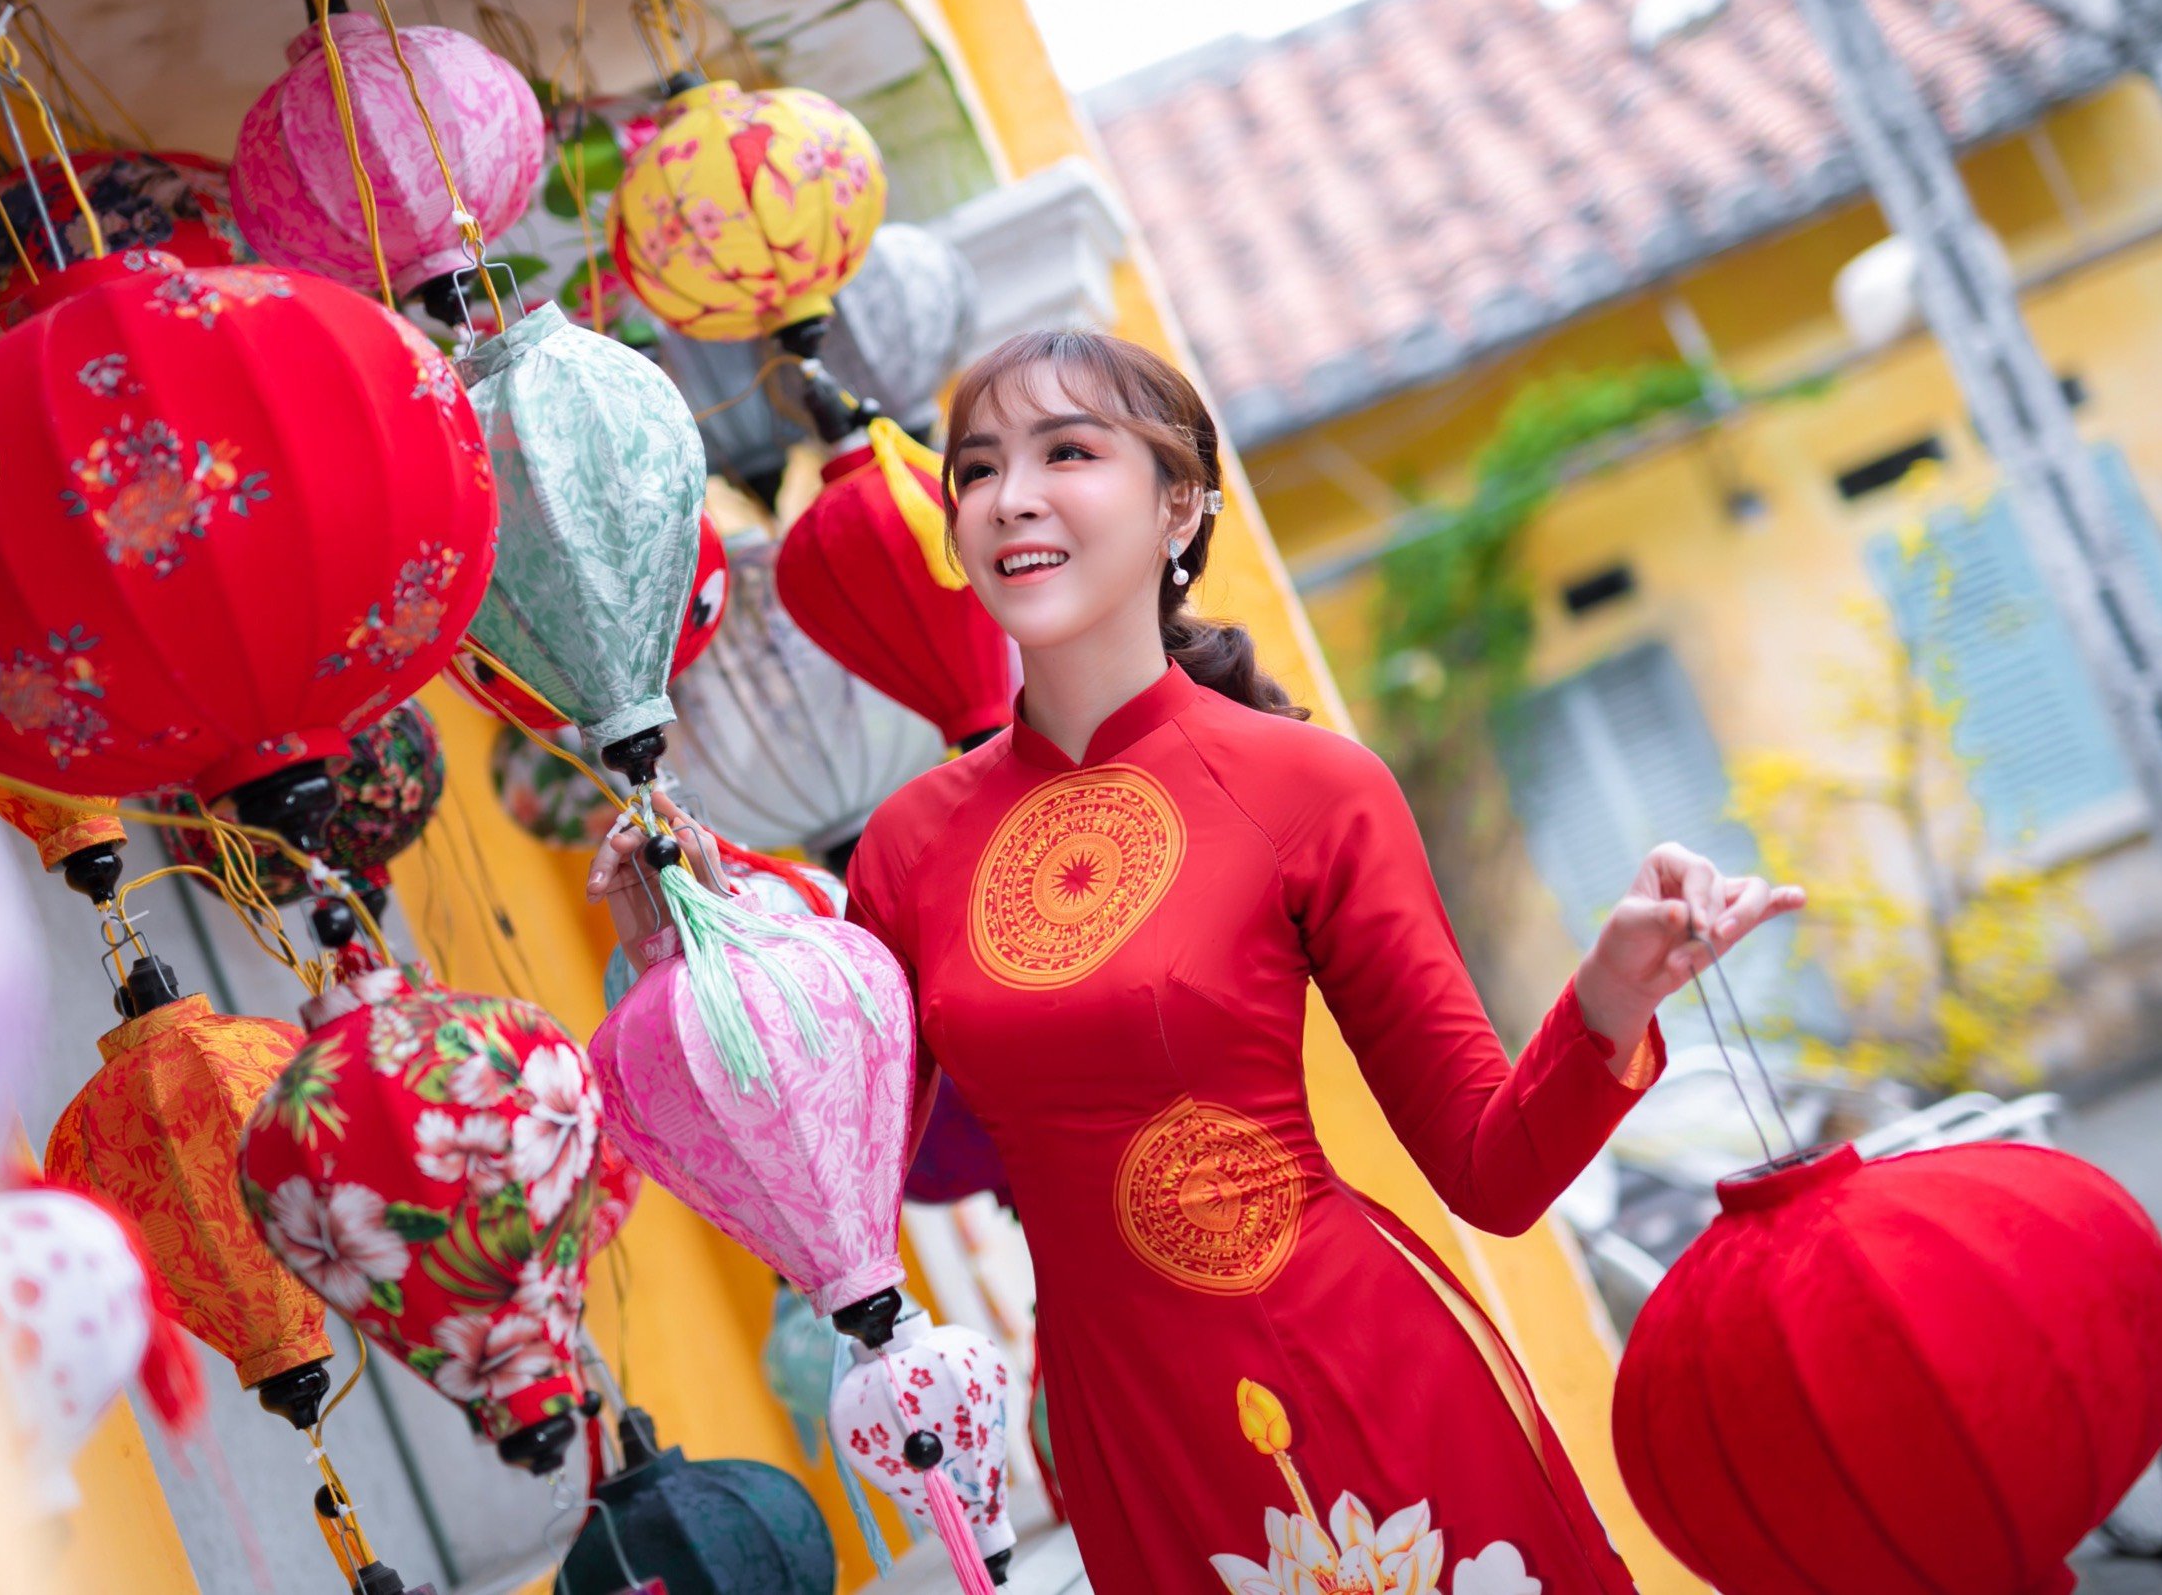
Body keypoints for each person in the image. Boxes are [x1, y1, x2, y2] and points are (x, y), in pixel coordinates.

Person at [588, 330, 1805, 1594]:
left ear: (1180, 504)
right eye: (976, 469)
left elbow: (1488, 1174)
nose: (1012, 496)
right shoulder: (907, 849)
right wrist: (702, 964)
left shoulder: (1311, 787)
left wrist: (1608, 1000)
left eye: (1068, 452)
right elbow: (839, 1187)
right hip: (1123, 1436)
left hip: (1363, 1387)